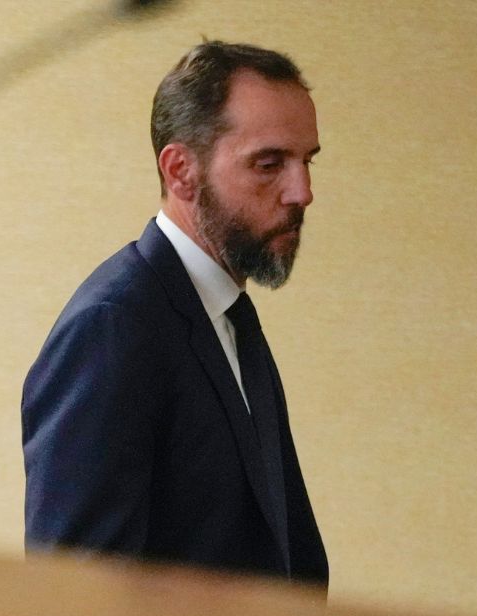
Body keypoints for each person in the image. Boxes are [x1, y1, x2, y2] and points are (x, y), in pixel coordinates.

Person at [22, 41, 328, 586]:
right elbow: (76, 598)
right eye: (269, 163)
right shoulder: (113, 328)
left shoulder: (227, 308)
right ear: (181, 170)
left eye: (307, 161)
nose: (302, 192)